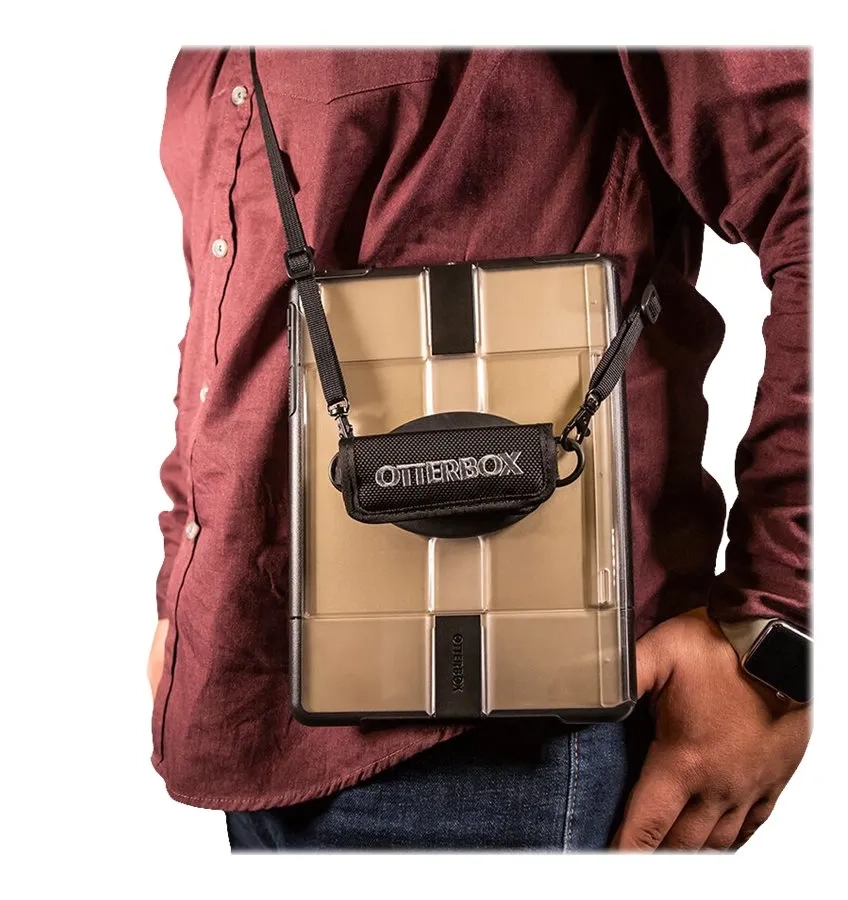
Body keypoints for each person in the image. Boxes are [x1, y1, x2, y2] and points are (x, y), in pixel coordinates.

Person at [147, 47, 811, 852]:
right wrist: (182, 588)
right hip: (244, 700)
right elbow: (230, 316)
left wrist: (777, 639)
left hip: (495, 742)